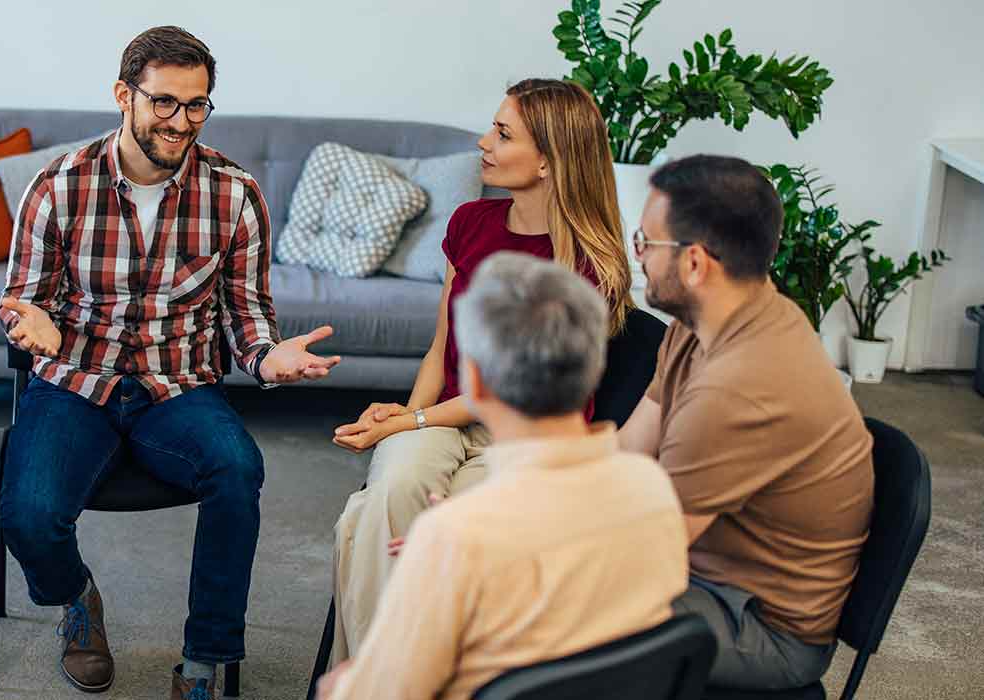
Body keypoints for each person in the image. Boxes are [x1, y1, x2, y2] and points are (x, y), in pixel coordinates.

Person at [0, 26, 340, 700]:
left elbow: (248, 318)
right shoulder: (58, 187)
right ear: (124, 95)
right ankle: (76, 599)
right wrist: (24, 320)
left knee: (239, 467)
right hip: (75, 378)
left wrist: (268, 361)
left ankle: (203, 667)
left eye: (197, 105)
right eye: (164, 103)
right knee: (29, 515)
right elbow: (22, 301)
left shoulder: (234, 194)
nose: (180, 122)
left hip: (177, 385)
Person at [327, 78, 635, 661]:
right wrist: (407, 413)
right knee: (391, 490)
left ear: (549, 160)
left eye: (502, 133)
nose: (483, 141)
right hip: (444, 414)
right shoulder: (470, 222)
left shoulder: (588, 264)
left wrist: (407, 422)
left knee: (391, 529)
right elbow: (442, 343)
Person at [317, 252, 688, 699]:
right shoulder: (654, 492)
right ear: (594, 368)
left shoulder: (457, 536)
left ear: (474, 378)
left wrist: (450, 546)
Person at [621, 154, 874, 690]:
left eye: (645, 242)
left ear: (694, 263)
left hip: (759, 628)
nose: (636, 256)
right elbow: (626, 454)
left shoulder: (739, 387)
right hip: (706, 575)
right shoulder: (705, 324)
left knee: (536, 603)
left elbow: (642, 550)